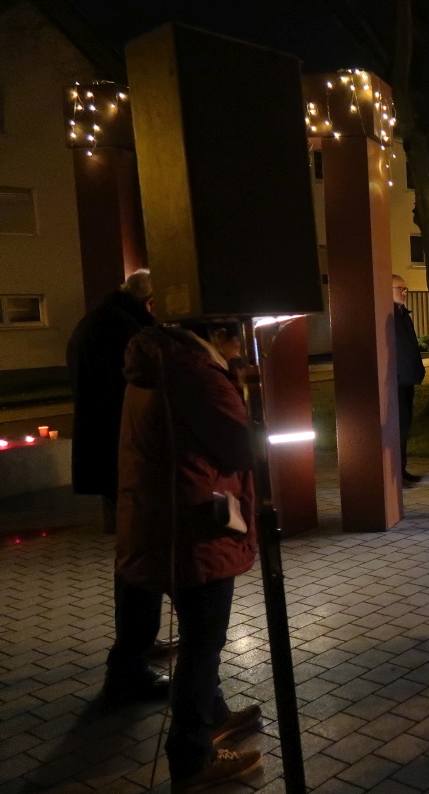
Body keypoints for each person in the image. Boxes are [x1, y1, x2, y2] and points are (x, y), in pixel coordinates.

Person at [117, 321, 263, 791]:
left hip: (163, 514)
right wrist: (241, 390)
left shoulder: (158, 361)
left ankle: (213, 715)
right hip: (197, 525)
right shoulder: (197, 375)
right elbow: (241, 445)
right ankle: (192, 756)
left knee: (201, 636)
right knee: (203, 642)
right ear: (219, 336)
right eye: (238, 340)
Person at [67, 270, 172, 703]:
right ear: (149, 303)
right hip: (127, 459)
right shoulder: (128, 331)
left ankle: (137, 649)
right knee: (141, 558)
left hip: (110, 456)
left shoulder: (97, 321)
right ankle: (129, 665)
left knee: (136, 553)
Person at [392, 275, 426, 484]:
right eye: (399, 289)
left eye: (406, 289)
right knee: (398, 428)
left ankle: (402, 469)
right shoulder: (388, 315)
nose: (404, 293)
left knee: (405, 427)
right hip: (396, 380)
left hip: (407, 379)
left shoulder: (403, 315)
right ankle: (396, 473)